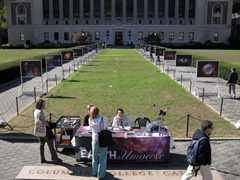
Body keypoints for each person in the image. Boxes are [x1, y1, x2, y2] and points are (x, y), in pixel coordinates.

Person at [34, 99, 61, 163]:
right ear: (41, 105)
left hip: (38, 130)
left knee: (41, 144)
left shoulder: (36, 111)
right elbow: (44, 122)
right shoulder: (41, 112)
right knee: (50, 143)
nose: (44, 105)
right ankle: (54, 157)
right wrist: (49, 125)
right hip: (44, 130)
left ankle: (42, 158)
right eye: (43, 104)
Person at [89, 106, 108, 180]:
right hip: (103, 139)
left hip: (95, 139)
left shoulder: (90, 120)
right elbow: (106, 128)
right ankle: (101, 175)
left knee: (94, 156)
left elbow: (91, 129)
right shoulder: (104, 119)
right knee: (102, 157)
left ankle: (94, 172)